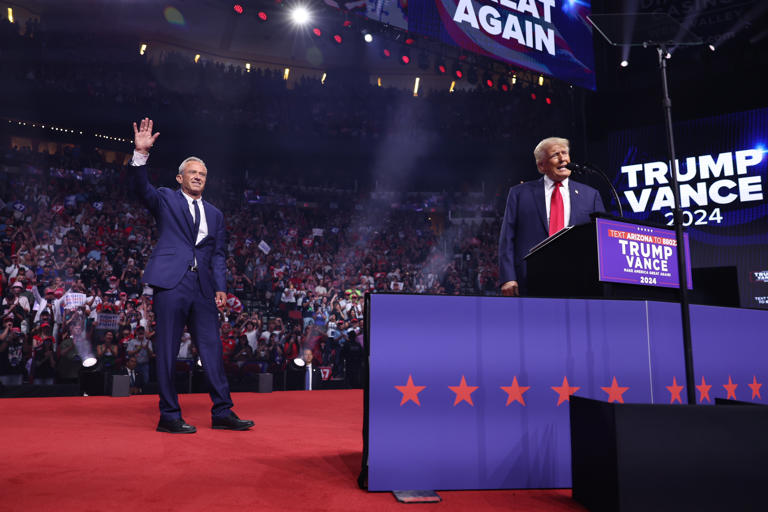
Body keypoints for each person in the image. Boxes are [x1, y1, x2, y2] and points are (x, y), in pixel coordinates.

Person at [130, 118, 253, 434]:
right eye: (193, 173)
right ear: (179, 177)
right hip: (171, 282)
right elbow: (138, 188)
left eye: (203, 174)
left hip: (204, 288)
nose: (198, 177)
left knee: (212, 348)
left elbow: (219, 254)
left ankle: (222, 411)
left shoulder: (216, 214)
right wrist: (140, 155)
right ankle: (169, 415)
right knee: (168, 351)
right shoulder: (165, 198)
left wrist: (221, 287)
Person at [498, 137, 605, 296]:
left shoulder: (590, 195)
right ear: (541, 166)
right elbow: (507, 238)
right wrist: (508, 278)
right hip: (531, 280)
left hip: (579, 282)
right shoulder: (519, 194)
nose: (563, 158)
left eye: (565, 153)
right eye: (555, 154)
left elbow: (601, 240)